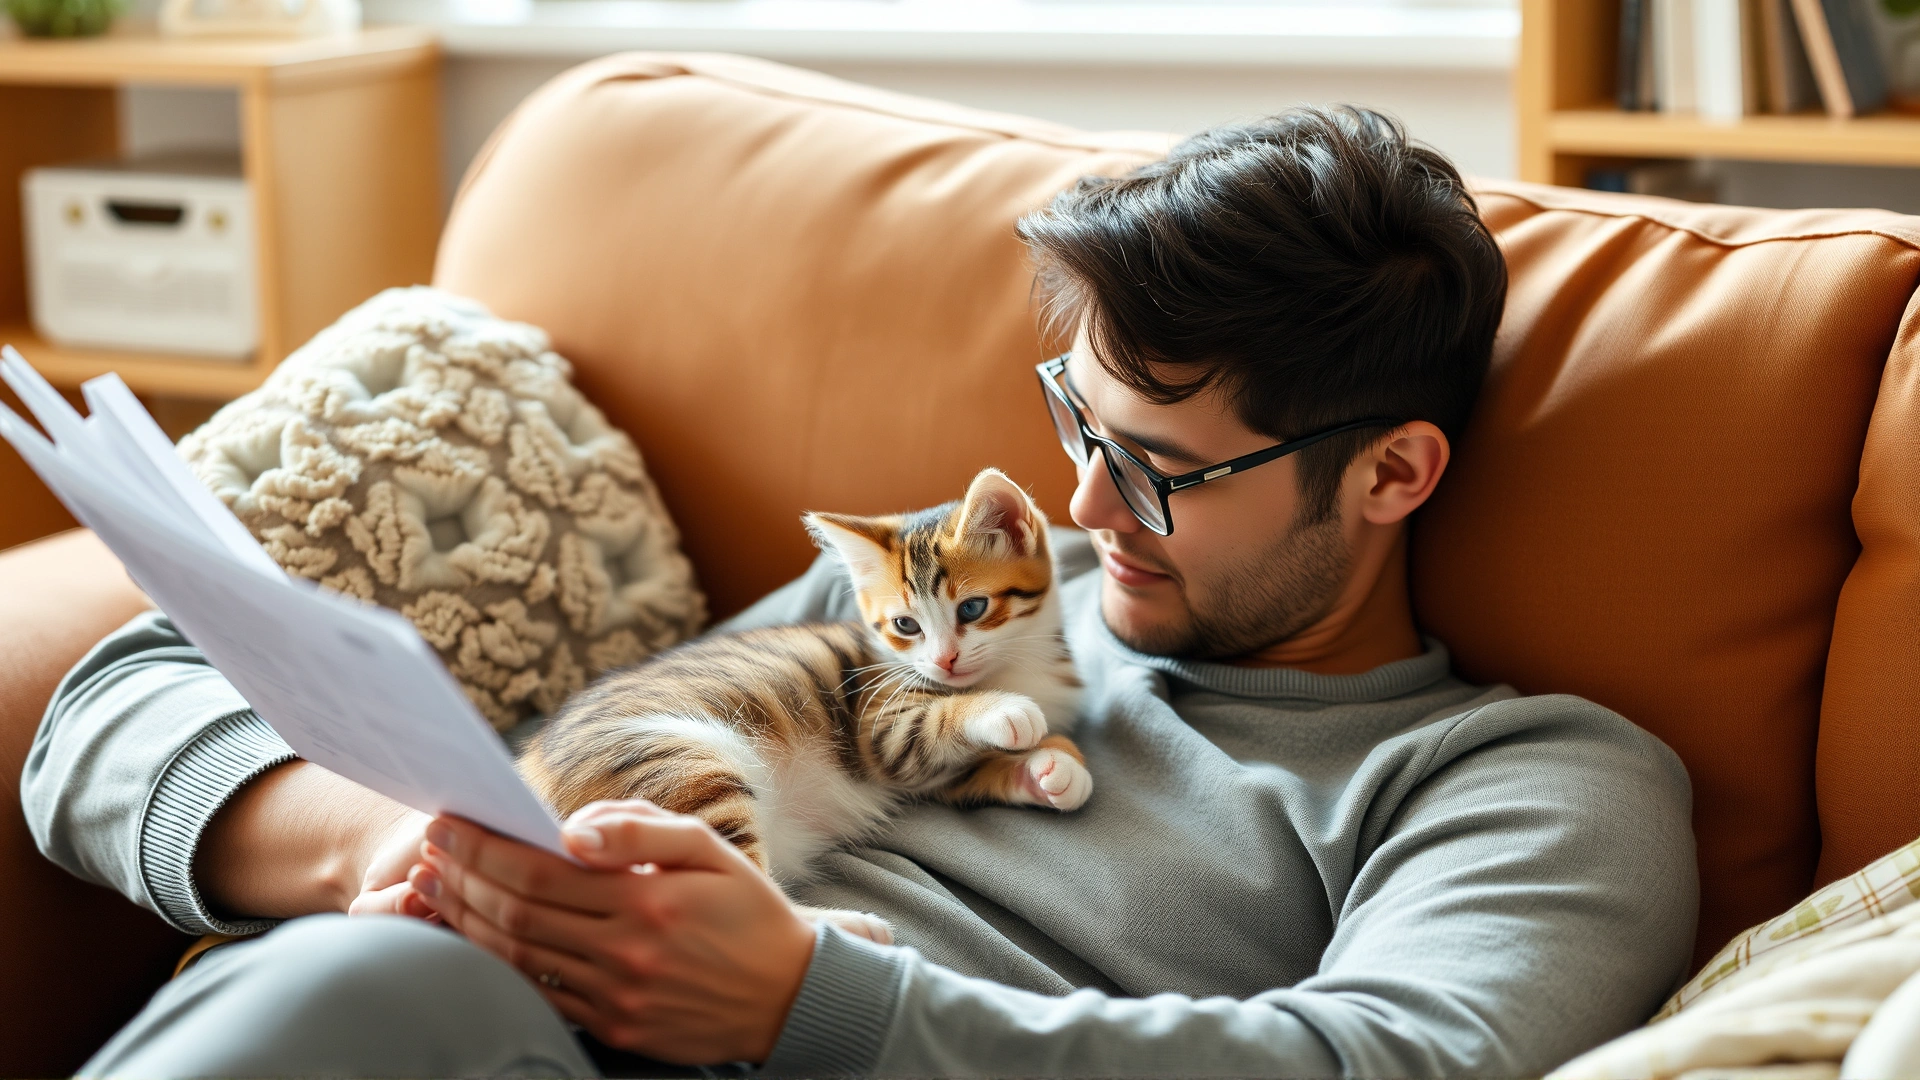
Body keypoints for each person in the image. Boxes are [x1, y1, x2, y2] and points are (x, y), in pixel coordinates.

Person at [23, 105, 1697, 1079]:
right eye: (1079, 424)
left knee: (368, 999)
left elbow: (1387, 1067)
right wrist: (394, 847)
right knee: (371, 970)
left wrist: (810, 996)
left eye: (1167, 469)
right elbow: (87, 732)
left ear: (1395, 474)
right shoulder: (910, 590)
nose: (1078, 506)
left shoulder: (1534, 778)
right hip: (498, 1025)